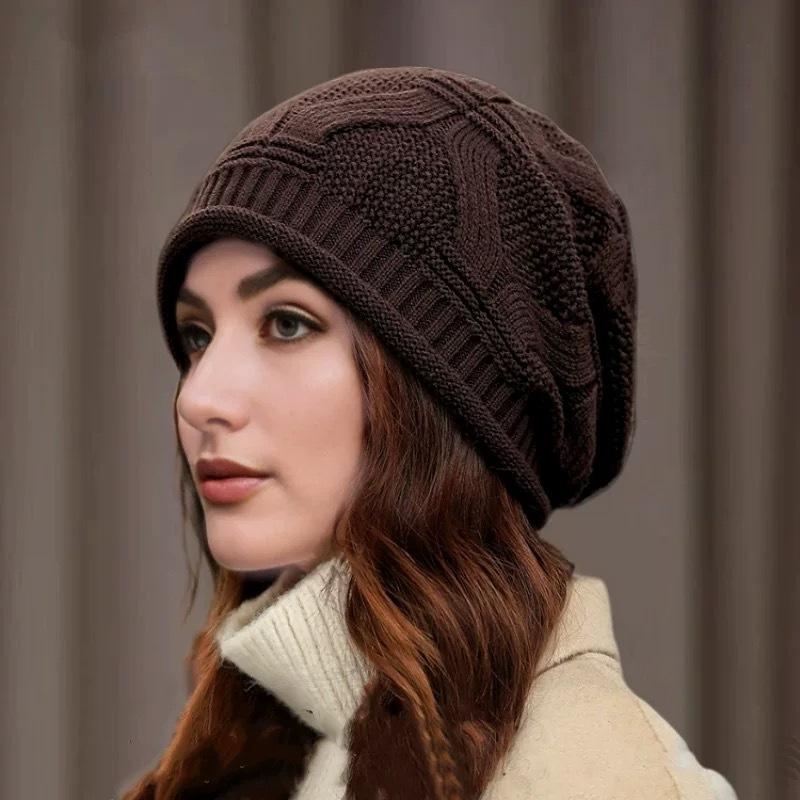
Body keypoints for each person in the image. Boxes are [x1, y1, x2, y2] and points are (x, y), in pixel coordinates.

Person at [119, 66, 738, 800]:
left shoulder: (594, 778)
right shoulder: (254, 741)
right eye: (197, 336)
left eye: (286, 324)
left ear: (445, 397)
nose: (198, 398)